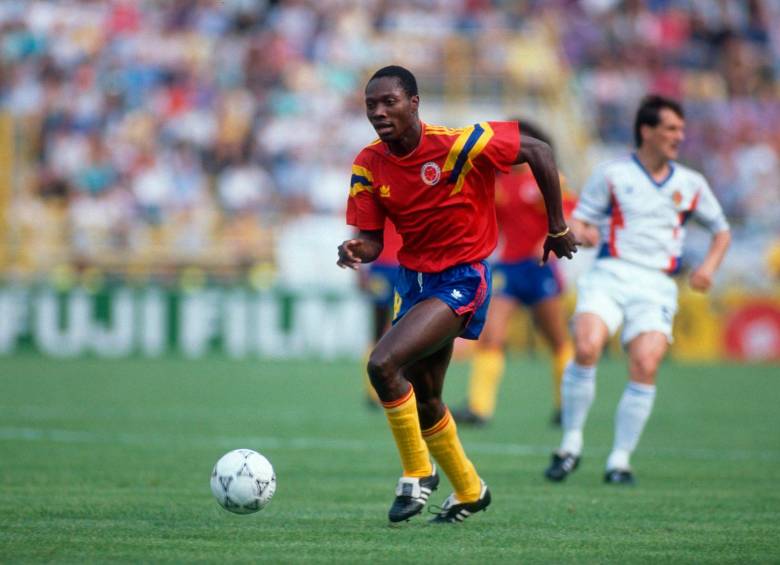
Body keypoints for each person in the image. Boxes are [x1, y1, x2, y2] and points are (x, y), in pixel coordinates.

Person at [337, 65, 578, 523]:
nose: (379, 112)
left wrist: (557, 226)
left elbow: (541, 151)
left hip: (462, 279)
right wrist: (357, 249)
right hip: (414, 282)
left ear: (414, 103)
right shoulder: (368, 163)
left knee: (384, 364)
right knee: (427, 398)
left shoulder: (459, 143)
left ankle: (417, 472)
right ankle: (469, 489)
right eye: (371, 105)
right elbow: (371, 237)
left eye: (389, 102)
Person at [544, 95, 731, 485]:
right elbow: (580, 221)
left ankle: (620, 459)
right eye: (671, 129)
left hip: (657, 284)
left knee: (645, 364)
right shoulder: (612, 174)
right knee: (586, 345)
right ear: (646, 131)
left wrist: (708, 269)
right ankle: (571, 443)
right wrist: (580, 233)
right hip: (610, 274)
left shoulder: (690, 183)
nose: (679, 136)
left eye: (681, 129)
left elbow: (722, 230)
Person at [452, 120, 575, 428]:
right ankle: (479, 408)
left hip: (541, 267)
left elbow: (570, 211)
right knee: (491, 335)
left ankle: (568, 404)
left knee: (557, 339)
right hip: (508, 267)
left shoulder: (548, 176)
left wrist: (544, 240)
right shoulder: (497, 180)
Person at [360, 218, 402, 407]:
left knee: (404, 327)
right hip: (382, 266)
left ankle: (399, 385)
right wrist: (360, 269)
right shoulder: (377, 190)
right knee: (377, 329)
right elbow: (363, 230)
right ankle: (373, 390)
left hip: (407, 264)